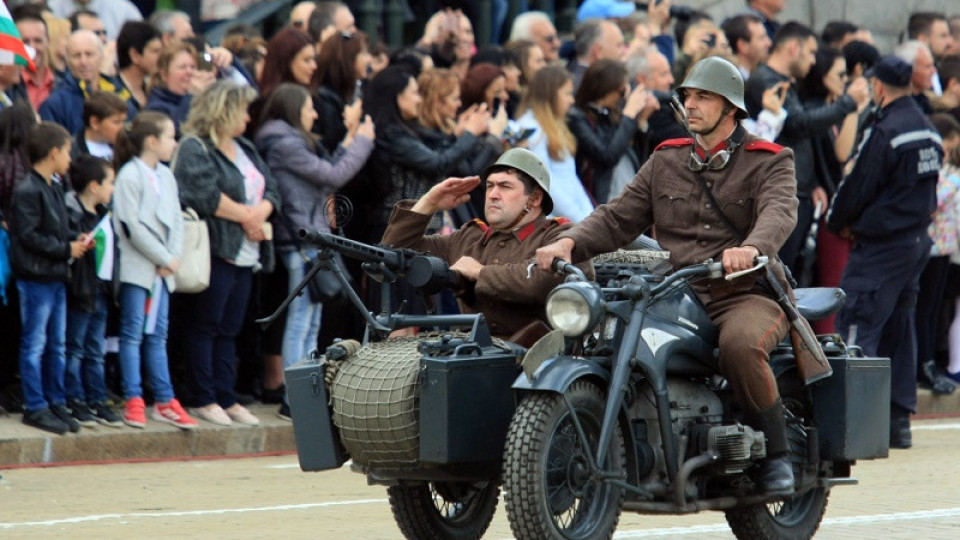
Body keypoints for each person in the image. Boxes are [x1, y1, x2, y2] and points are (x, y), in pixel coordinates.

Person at [536, 57, 802, 495]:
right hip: (677, 290)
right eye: (688, 96)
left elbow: (778, 213)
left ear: (731, 108)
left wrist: (751, 248)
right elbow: (618, 217)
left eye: (703, 97)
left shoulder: (769, 161)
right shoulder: (666, 160)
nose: (690, 104)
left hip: (745, 292)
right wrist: (570, 242)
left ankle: (777, 455)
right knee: (613, 333)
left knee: (738, 346)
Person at [826, 56, 942, 450]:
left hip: (881, 245)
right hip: (915, 243)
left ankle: (858, 428)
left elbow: (859, 185)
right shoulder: (928, 130)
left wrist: (839, 221)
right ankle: (897, 422)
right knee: (899, 327)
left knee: (858, 323)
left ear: (877, 88)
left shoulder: (886, 130)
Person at [382, 148, 591, 343]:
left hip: (540, 366)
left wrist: (479, 272)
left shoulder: (561, 237)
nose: (492, 194)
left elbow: (536, 282)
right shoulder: (469, 237)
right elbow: (394, 255)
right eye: (490, 186)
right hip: (472, 357)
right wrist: (429, 203)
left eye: (505, 186)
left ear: (535, 198)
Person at [254, 83, 374, 419]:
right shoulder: (284, 144)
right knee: (301, 319)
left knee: (312, 319)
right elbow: (334, 173)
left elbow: (325, 176)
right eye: (309, 108)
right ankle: (296, 398)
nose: (315, 114)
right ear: (294, 110)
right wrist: (363, 139)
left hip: (313, 240)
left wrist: (351, 135)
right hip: (300, 241)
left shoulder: (288, 142)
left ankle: (306, 393)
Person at [173, 81, 279, 427]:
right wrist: (248, 216)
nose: (248, 118)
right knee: (205, 325)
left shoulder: (245, 146)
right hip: (215, 249)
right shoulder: (195, 147)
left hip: (247, 251)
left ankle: (227, 396)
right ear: (224, 110)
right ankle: (203, 396)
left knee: (230, 328)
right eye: (243, 110)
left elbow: (272, 188)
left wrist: (260, 213)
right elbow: (202, 192)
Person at [745, 22, 870, 282]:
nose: (813, 61)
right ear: (794, 48)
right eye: (811, 52)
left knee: (792, 272)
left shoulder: (786, 83)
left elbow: (798, 138)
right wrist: (848, 103)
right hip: (776, 191)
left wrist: (812, 182)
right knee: (777, 274)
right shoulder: (765, 80)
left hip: (797, 191)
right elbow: (799, 124)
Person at [111, 111, 196, 430]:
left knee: (157, 334)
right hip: (140, 268)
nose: (174, 143)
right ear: (152, 141)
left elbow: (176, 218)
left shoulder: (166, 175)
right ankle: (133, 397)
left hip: (163, 271)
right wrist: (162, 256)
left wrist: (171, 256)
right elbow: (131, 225)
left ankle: (163, 399)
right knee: (132, 333)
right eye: (170, 136)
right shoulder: (129, 175)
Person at [11, 122, 91, 435]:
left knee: (56, 345)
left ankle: (55, 401)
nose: (70, 158)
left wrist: (77, 238)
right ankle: (36, 404)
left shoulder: (54, 186)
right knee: (35, 345)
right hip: (36, 279)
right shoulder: (28, 190)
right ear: (54, 152)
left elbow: (56, 230)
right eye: (68, 152)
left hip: (55, 276)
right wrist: (66, 248)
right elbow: (29, 236)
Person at [63, 155, 123, 427]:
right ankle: (74, 399)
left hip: (100, 288)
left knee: (95, 349)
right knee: (75, 347)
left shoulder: (104, 214)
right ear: (93, 186)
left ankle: (96, 399)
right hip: (79, 289)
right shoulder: (71, 211)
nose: (113, 187)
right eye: (110, 182)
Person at [567, 58, 656, 203]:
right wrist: (629, 115)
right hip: (604, 195)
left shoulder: (612, 112)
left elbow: (637, 154)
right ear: (605, 89)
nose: (622, 97)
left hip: (627, 183)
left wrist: (641, 122)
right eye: (621, 92)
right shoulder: (578, 118)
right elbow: (607, 155)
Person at [515, 65, 593, 222]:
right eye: (567, 94)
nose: (572, 100)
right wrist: (581, 219)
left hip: (573, 219)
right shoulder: (531, 128)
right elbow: (546, 183)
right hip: (553, 223)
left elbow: (570, 178)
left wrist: (590, 216)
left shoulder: (555, 125)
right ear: (550, 94)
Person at [918, 113, 960, 394]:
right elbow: (934, 200)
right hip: (929, 247)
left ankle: (929, 361)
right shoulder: (938, 169)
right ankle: (924, 363)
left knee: (933, 310)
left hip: (945, 247)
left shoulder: (946, 168)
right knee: (924, 310)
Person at [39, 29, 134, 135]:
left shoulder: (120, 92)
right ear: (68, 62)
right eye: (76, 56)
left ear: (101, 57)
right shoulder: (55, 104)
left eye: (89, 54)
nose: (83, 62)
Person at [313, 30, 371, 154]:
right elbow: (330, 145)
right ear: (348, 59)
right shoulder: (324, 99)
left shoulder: (356, 90)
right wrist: (348, 124)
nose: (369, 59)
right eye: (364, 53)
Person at [144, 41, 216, 136]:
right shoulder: (156, 108)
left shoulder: (199, 97)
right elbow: (179, 133)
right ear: (164, 75)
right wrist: (191, 96)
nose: (189, 72)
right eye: (183, 67)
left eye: (193, 67)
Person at [13, 5, 57, 111]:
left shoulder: (63, 83)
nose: (32, 48)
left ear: (48, 42)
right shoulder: (7, 86)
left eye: (38, 41)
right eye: (25, 42)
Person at [566, 19, 626, 92]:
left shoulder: (572, 72)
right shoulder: (584, 86)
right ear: (598, 52)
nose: (624, 51)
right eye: (619, 45)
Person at [116, 21, 163, 111]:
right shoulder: (113, 93)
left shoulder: (153, 91)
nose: (161, 57)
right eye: (155, 51)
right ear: (135, 55)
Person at [73, 91, 129, 161]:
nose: (122, 127)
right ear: (95, 123)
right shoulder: (73, 151)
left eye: (124, 121)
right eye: (116, 122)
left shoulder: (126, 147)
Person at [723, 13, 771, 81]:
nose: (769, 43)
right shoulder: (733, 82)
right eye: (762, 38)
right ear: (743, 46)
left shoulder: (765, 73)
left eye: (766, 36)